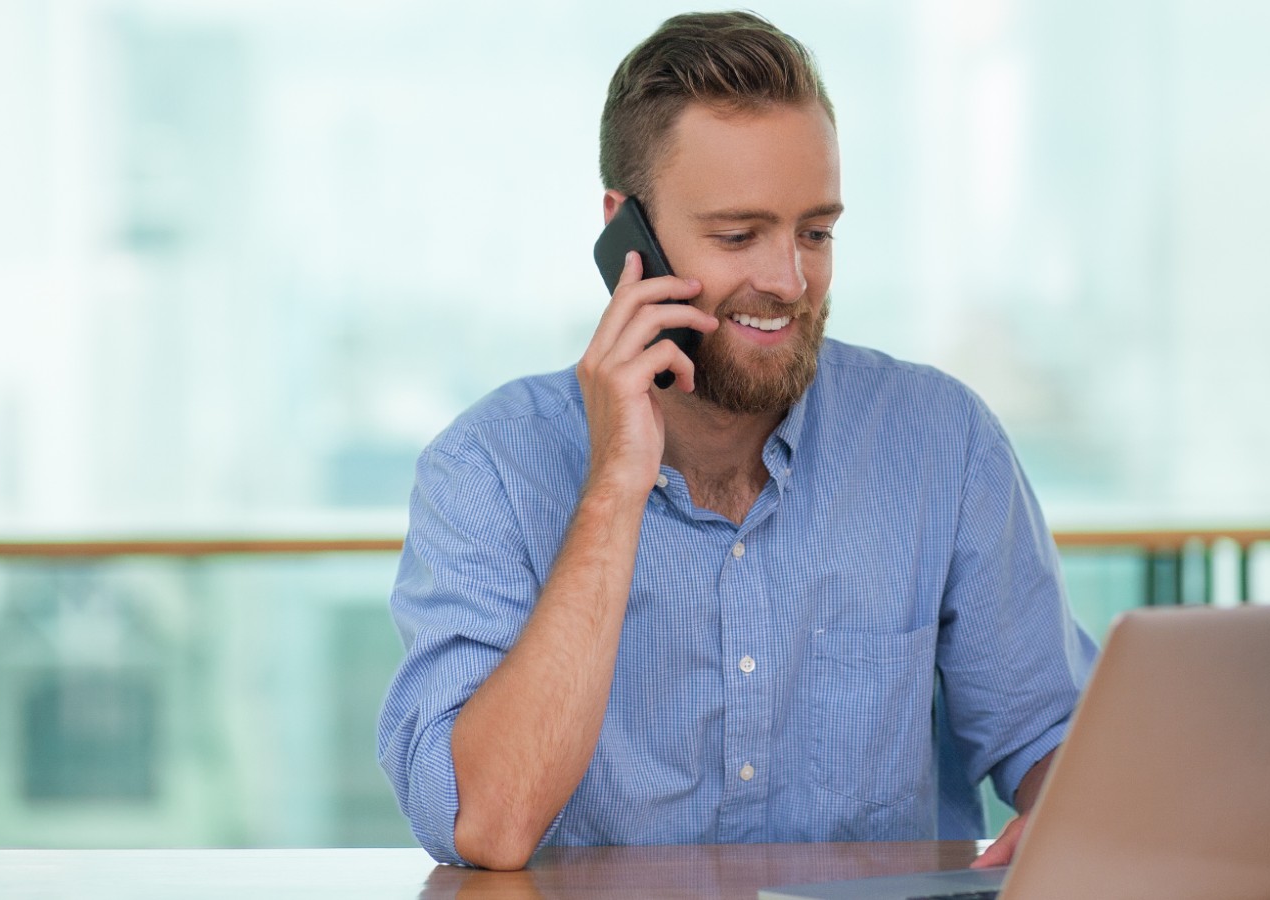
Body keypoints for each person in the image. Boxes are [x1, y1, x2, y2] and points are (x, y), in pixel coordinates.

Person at [378, 10, 1097, 872]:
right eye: (737, 235)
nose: (789, 281)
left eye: (815, 232)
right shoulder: (488, 472)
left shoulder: (943, 442)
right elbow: (485, 824)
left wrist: (1074, 813)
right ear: (625, 234)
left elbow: (1053, 737)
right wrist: (614, 484)